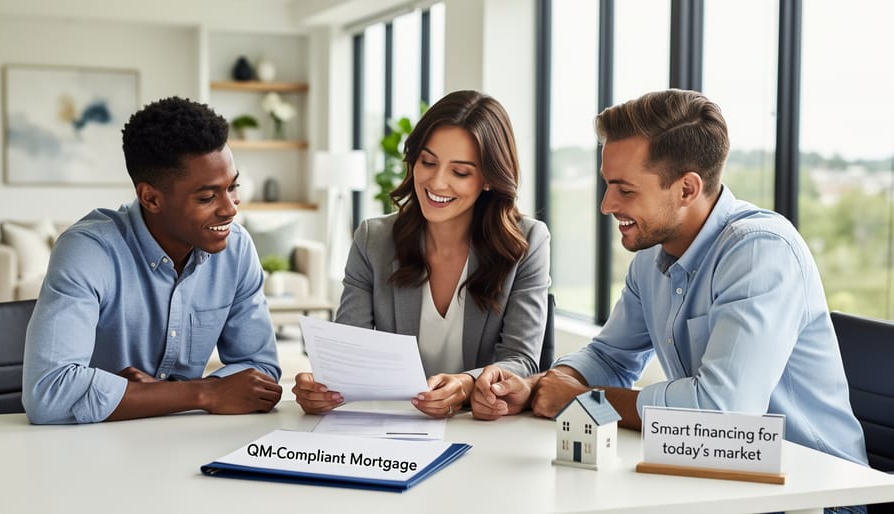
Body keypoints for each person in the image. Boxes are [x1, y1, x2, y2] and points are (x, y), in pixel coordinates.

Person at [472, 89, 868, 470]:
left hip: (814, 494)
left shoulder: (760, 253)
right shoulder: (651, 254)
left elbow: (721, 413)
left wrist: (583, 400)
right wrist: (549, 384)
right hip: (718, 476)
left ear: (687, 189)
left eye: (625, 190)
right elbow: (611, 356)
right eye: (608, 185)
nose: (607, 205)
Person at [22, 96, 283, 424]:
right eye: (207, 197)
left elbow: (261, 371)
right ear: (151, 198)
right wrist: (205, 393)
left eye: (233, 187)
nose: (231, 208)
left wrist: (160, 393)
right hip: (91, 452)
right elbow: (48, 394)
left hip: (182, 446)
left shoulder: (237, 248)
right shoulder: (88, 251)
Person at [293, 90, 551, 418]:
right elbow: (349, 350)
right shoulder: (373, 240)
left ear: (488, 178)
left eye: (460, 172)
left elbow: (521, 359)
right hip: (393, 426)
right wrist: (323, 386)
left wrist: (467, 384)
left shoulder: (527, 242)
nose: (437, 182)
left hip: (480, 428)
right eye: (427, 162)